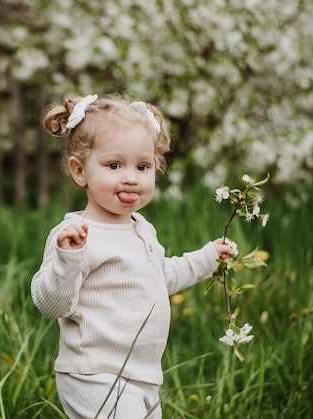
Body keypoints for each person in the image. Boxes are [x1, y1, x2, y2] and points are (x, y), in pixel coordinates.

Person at [31, 94, 235, 418]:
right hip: (94, 374)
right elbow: (50, 304)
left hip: (144, 374)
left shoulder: (141, 228)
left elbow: (159, 278)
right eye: (114, 165)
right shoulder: (75, 235)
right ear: (79, 171)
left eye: (142, 166)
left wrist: (207, 258)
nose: (131, 177)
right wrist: (67, 260)